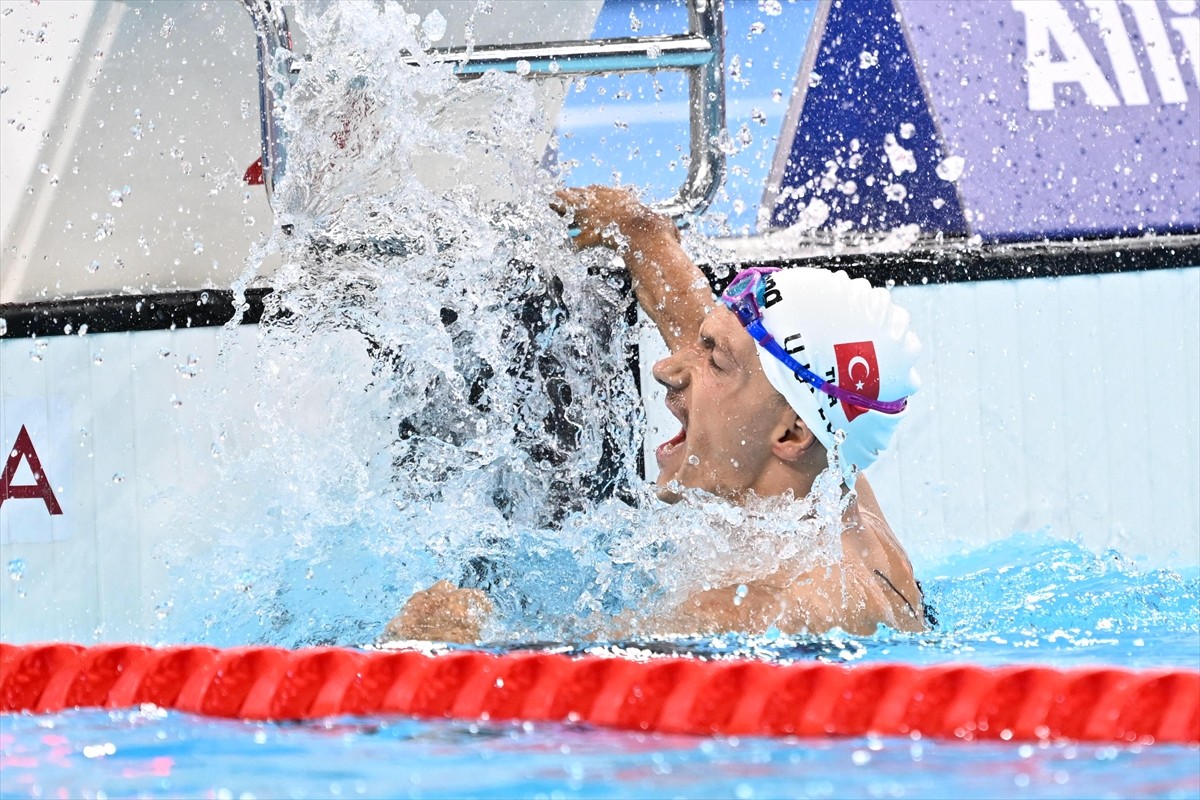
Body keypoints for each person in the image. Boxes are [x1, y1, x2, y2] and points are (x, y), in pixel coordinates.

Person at [384, 185, 928, 644]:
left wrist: (447, 647)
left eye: (712, 360)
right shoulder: (824, 464)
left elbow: (560, 666)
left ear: (790, 433)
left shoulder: (784, 606)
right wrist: (638, 230)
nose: (669, 368)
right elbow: (728, 346)